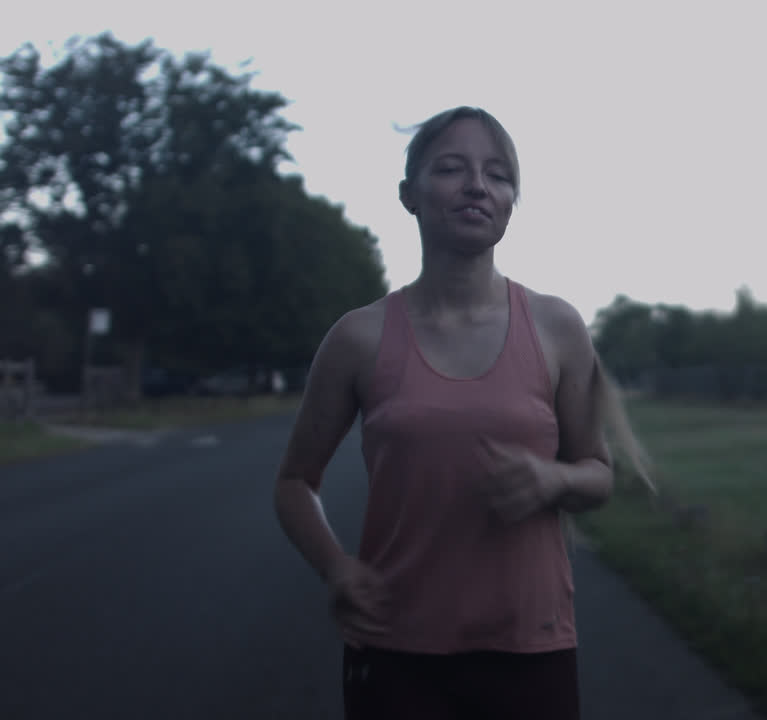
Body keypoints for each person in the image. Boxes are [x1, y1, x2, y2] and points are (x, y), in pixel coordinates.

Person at [273, 106, 654, 720]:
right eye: (451, 168)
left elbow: (597, 473)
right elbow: (295, 483)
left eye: (499, 175)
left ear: (510, 201)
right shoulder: (358, 338)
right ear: (409, 195)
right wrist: (336, 567)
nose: (478, 185)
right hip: (396, 652)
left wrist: (554, 478)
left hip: (532, 650)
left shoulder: (558, 326)